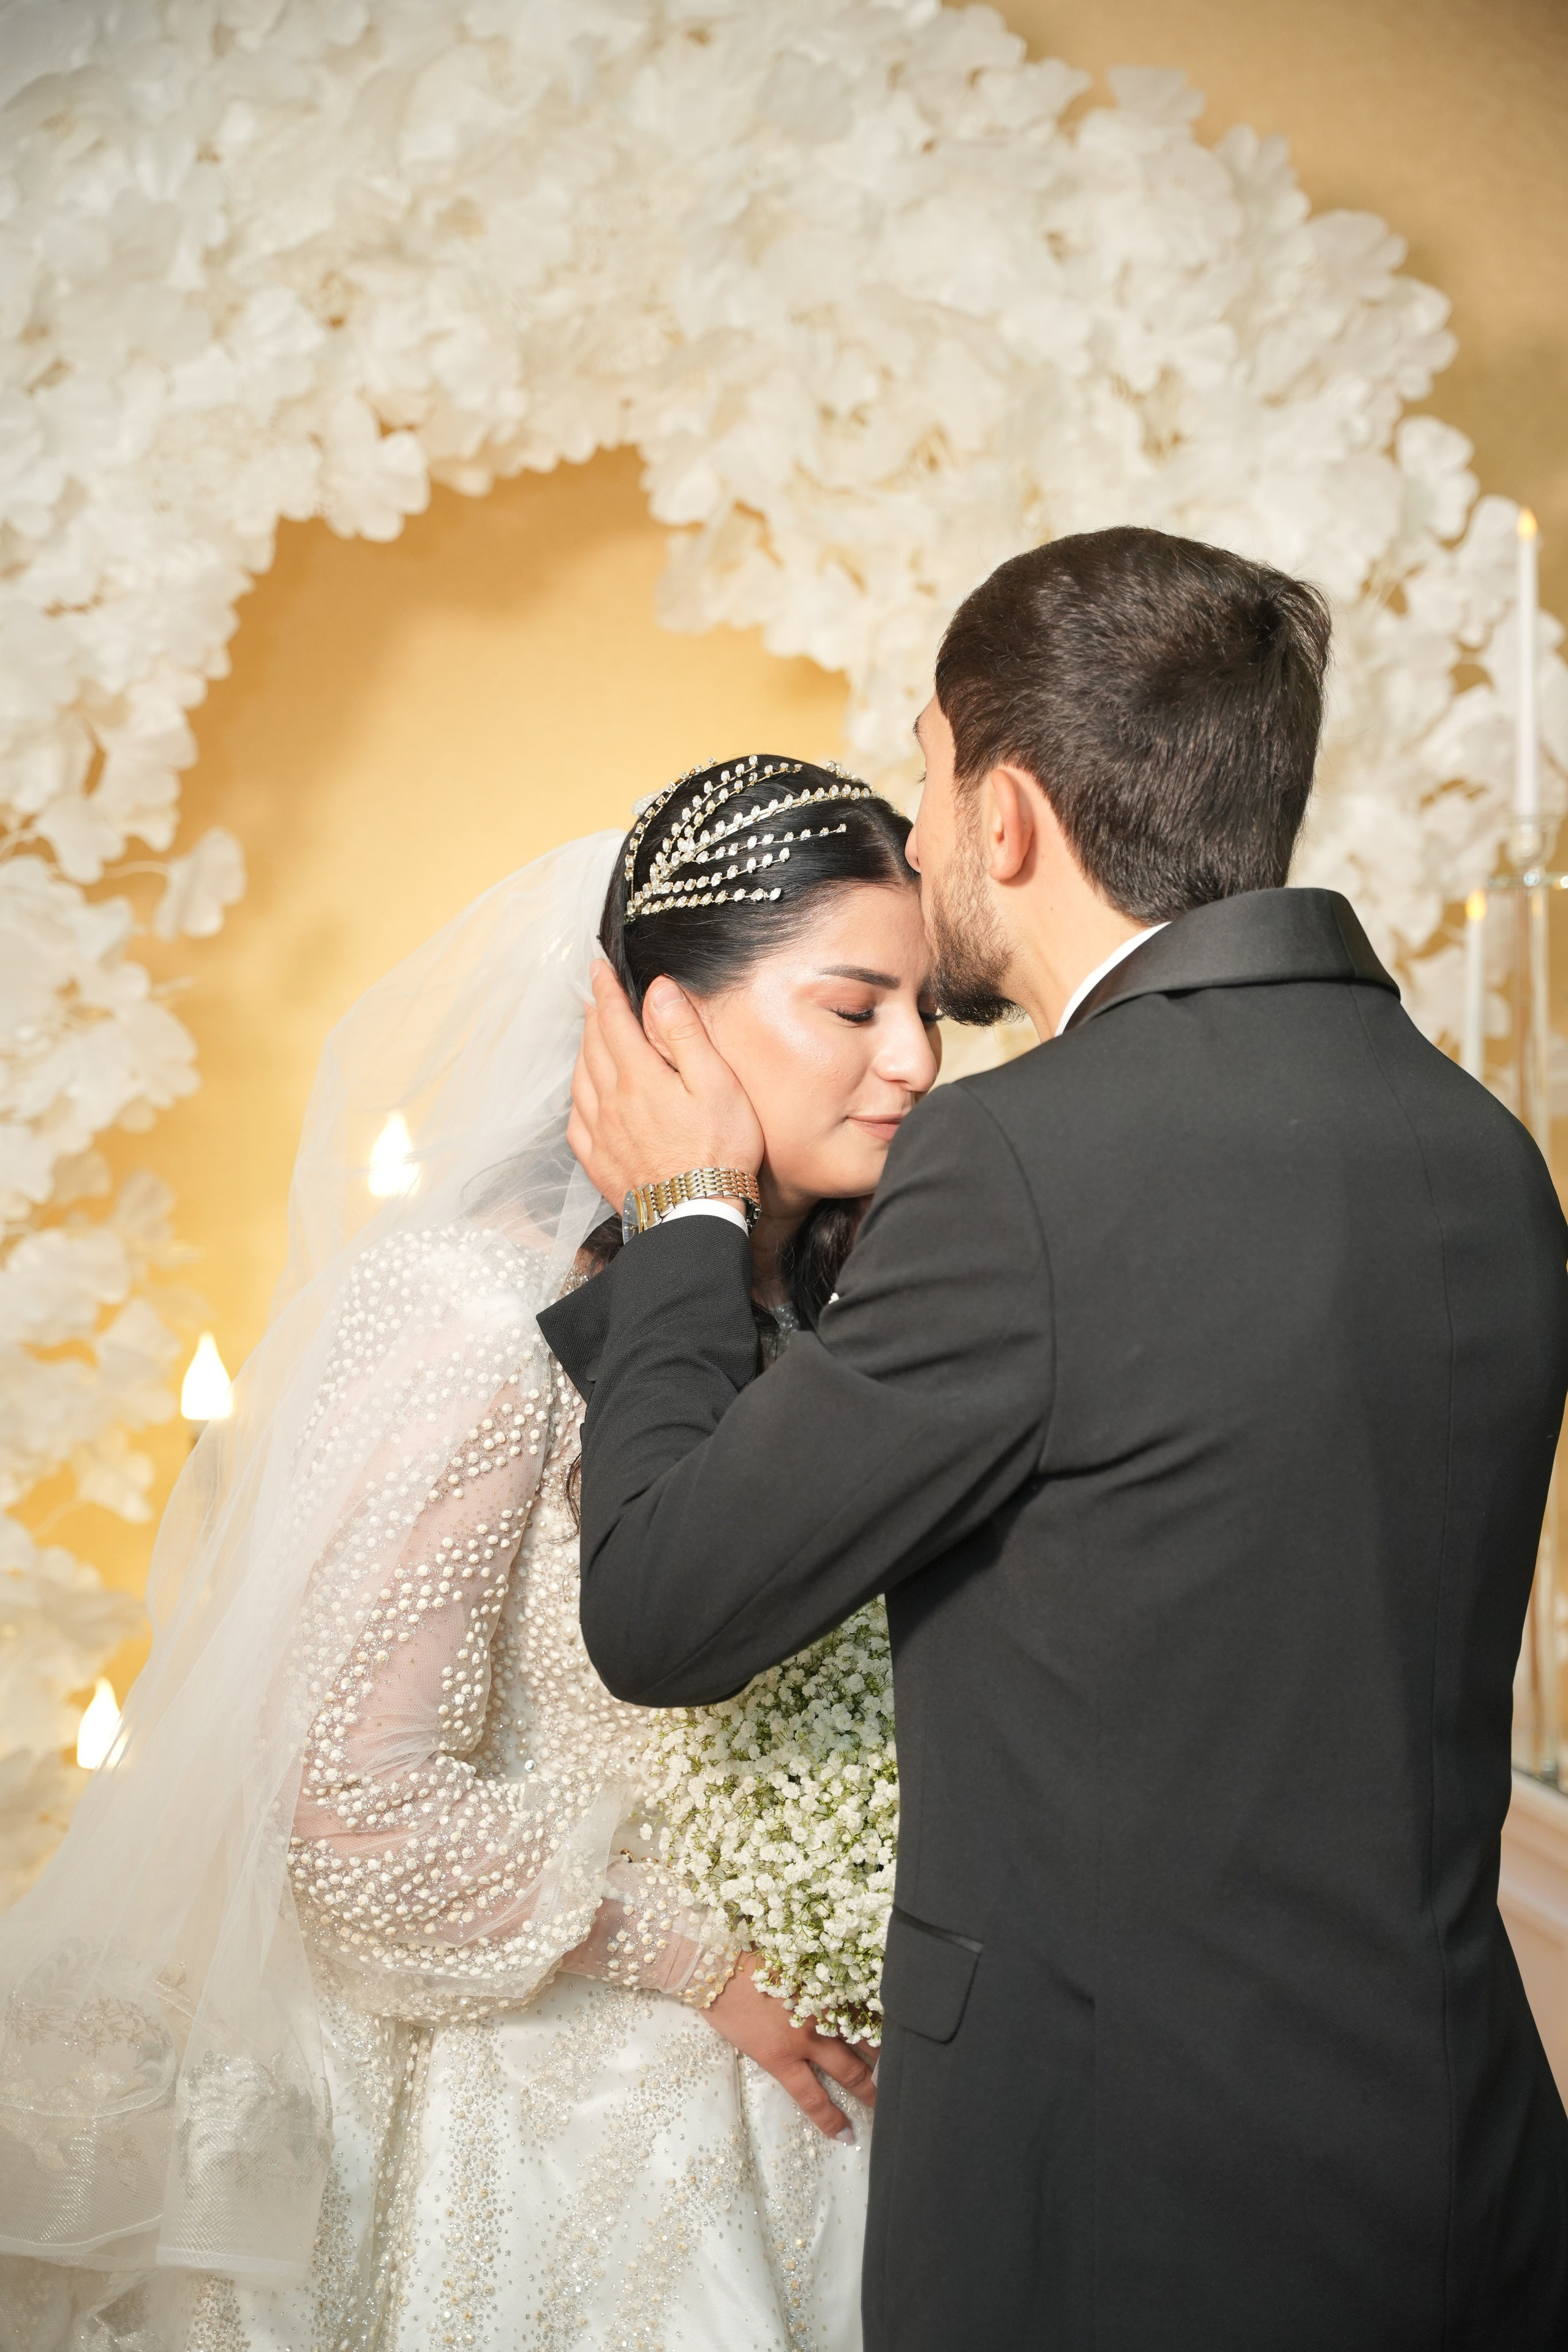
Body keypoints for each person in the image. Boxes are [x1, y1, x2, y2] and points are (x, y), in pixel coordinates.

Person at [546, 526, 1568, 2352]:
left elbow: (663, 1608)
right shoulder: (1482, 1151)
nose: (920, 836)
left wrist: (692, 1212)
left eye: (928, 777)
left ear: (1005, 817)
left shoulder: (1019, 1161)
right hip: (1468, 2156)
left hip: (1126, 2207)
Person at [0, 769, 939, 2352]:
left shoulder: (842, 1335)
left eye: (929, 1010)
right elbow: (353, 1816)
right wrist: (706, 1960)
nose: (915, 1059)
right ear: (666, 1031)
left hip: (825, 2137)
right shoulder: (468, 1321)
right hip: (539, 2147)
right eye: (857, 1007)